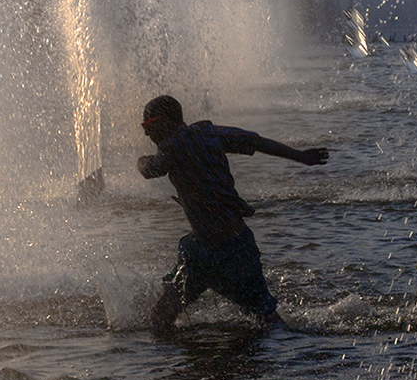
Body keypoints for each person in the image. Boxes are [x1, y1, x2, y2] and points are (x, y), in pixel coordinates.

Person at [136, 94, 328, 337]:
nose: (146, 134)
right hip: (212, 248)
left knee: (161, 320)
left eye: (147, 125)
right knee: (266, 320)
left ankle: (296, 356)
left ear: (163, 121)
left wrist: (141, 161)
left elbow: (152, 169)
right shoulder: (210, 134)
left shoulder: (172, 147)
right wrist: (299, 156)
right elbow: (256, 142)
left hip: (230, 253)